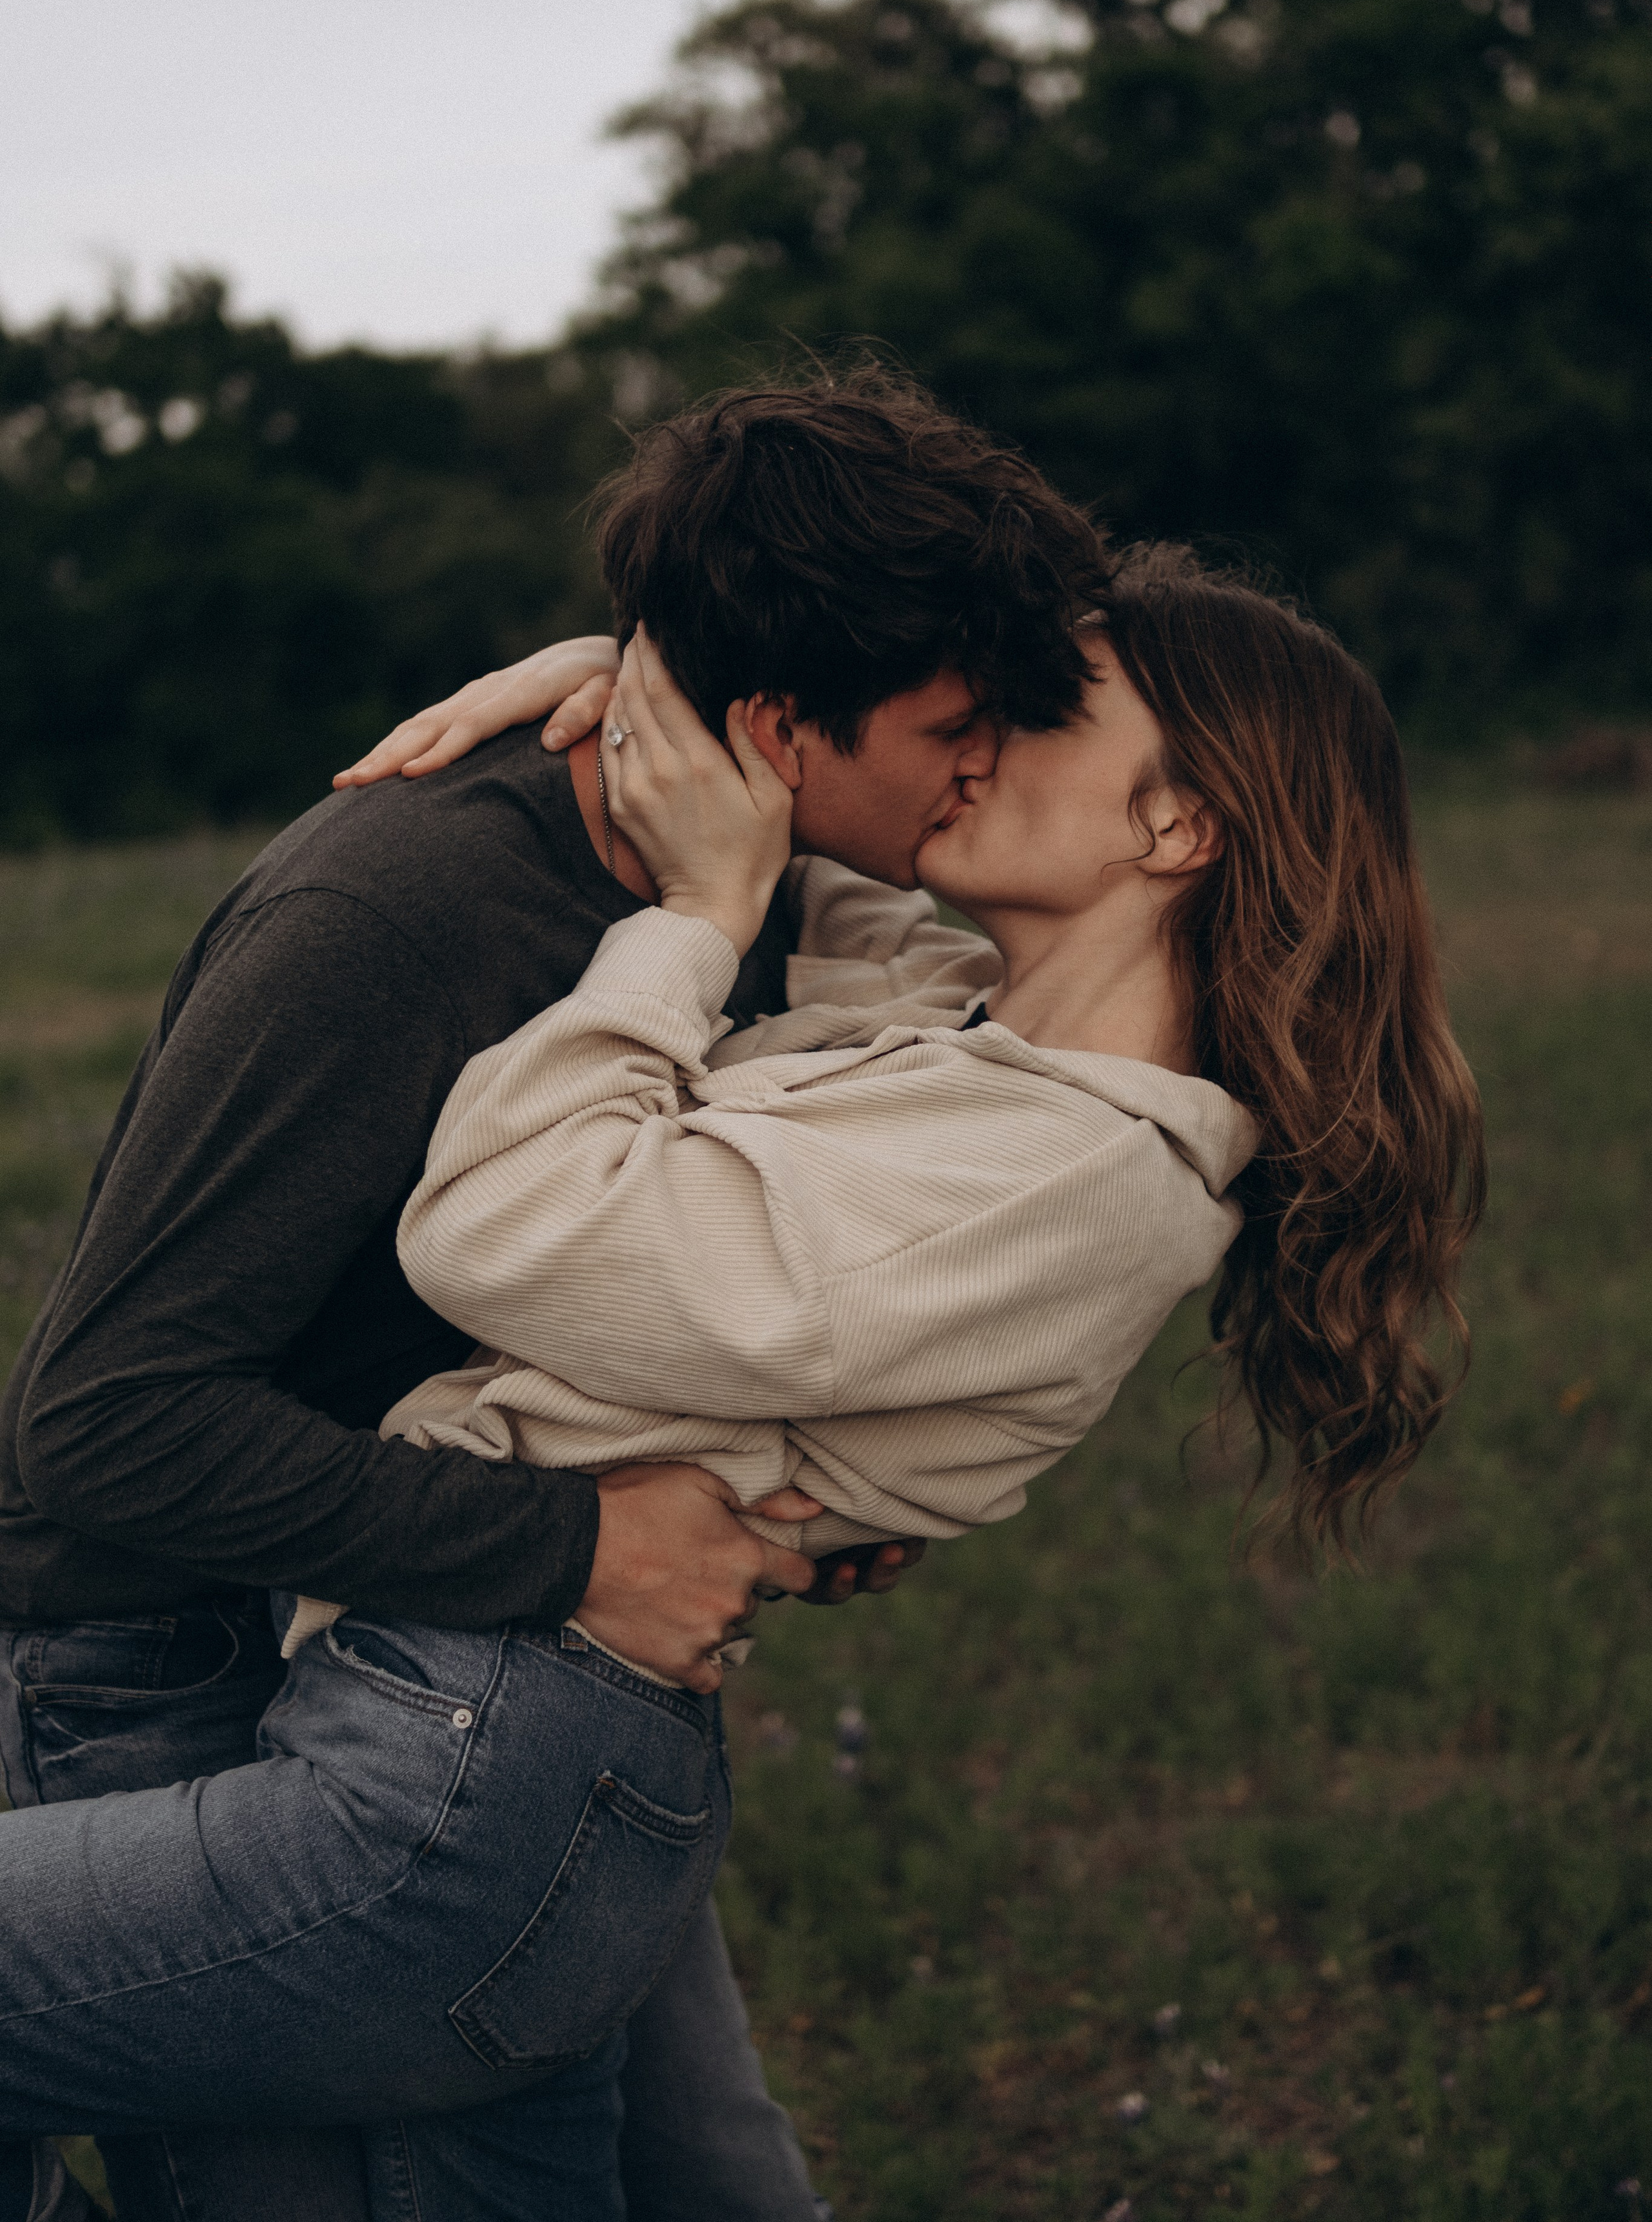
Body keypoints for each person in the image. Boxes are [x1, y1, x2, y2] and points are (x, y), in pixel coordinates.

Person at [0, 541, 1484, 2219]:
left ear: (1177, 824)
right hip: (477, 1702)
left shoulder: (1055, 1163)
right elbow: (825, 863)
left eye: (1037, 707)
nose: (974, 738)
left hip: (481, 1758)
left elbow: (505, 1231)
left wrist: (697, 922)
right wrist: (658, 688)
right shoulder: (975, 1040)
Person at [0, 369, 1107, 2222]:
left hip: (440, 1638)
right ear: (773, 726)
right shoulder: (393, 919)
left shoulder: (744, 878)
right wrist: (580, 1541)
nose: (983, 768)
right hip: (152, 1650)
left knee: (715, 2176)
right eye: (954, 728)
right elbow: (104, 1430)